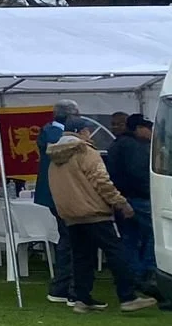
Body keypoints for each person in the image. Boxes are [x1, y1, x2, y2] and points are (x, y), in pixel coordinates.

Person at [44, 123, 157, 313]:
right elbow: (101, 181)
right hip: (94, 212)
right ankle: (127, 296)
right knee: (116, 251)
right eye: (88, 131)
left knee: (81, 257)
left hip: (71, 214)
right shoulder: (85, 152)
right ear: (82, 132)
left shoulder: (55, 157)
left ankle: (82, 299)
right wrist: (120, 202)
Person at [35, 101, 80, 303]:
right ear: (69, 115)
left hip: (57, 194)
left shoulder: (51, 131)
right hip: (60, 194)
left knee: (67, 240)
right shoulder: (54, 134)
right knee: (72, 242)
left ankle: (60, 287)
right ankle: (70, 289)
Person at [107, 114, 156, 288]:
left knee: (129, 239)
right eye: (148, 128)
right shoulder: (133, 146)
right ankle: (148, 271)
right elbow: (139, 173)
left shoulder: (115, 145)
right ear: (138, 129)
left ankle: (133, 275)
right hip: (138, 198)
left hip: (120, 198)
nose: (151, 132)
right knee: (155, 234)